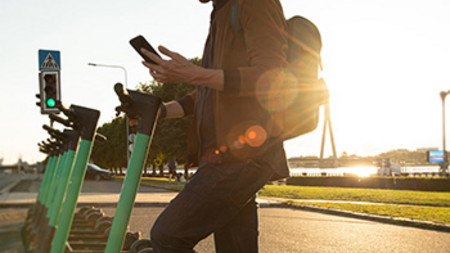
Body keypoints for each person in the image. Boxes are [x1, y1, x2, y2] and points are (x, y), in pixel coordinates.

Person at [135, 0, 290, 251]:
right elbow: (206, 94)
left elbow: (273, 77)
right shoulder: (220, 13)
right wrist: (160, 111)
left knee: (168, 236)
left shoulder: (254, 4)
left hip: (242, 157)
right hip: (227, 158)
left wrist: (195, 73)